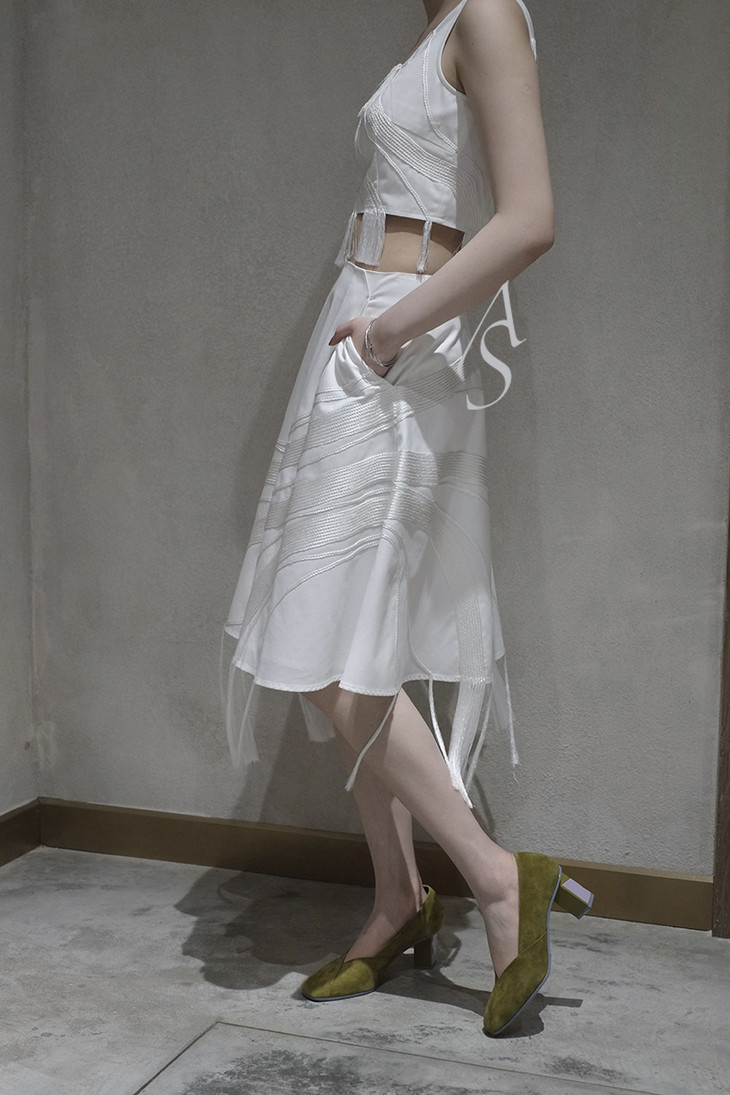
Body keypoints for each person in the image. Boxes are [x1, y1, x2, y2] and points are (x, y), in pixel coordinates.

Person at [223, 0, 594, 1036]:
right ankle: (396, 897)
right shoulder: (433, 26)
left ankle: (496, 876)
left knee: (332, 656)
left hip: (394, 347)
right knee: (350, 643)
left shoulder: (486, 12)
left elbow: (529, 218)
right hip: (367, 333)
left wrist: (389, 333)